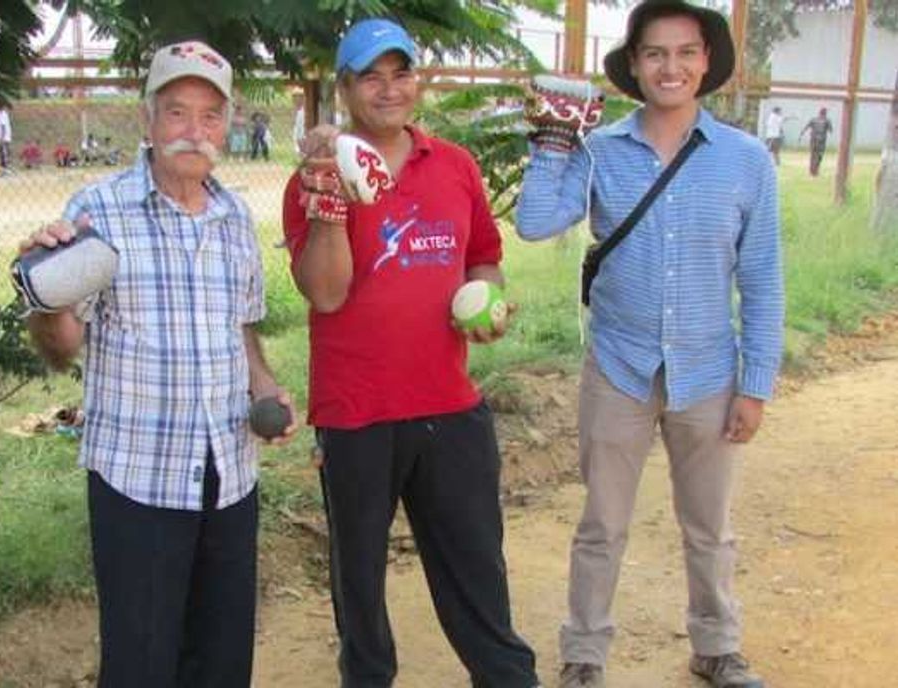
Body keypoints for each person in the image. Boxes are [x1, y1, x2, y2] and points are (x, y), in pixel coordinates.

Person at [516, 1, 783, 687]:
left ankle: (717, 647)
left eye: (686, 52)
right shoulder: (599, 150)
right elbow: (538, 221)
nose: (672, 66)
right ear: (634, 65)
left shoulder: (746, 161)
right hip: (620, 366)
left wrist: (755, 385)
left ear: (706, 64)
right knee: (602, 524)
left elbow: (761, 279)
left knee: (710, 527)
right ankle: (584, 655)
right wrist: (551, 140)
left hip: (709, 370)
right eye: (656, 53)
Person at [17, 40, 296, 687]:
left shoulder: (234, 217)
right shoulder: (98, 210)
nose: (193, 131)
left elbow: (241, 328)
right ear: (147, 121)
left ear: (226, 127)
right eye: (176, 112)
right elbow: (61, 346)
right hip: (138, 481)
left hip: (230, 475)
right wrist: (46, 296)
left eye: (209, 116)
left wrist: (268, 386)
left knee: (223, 663)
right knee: (141, 665)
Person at [281, 18, 539, 688]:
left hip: (449, 404)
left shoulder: (453, 165)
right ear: (345, 88)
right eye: (371, 75)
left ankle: (508, 678)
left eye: (402, 72)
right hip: (357, 410)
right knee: (358, 582)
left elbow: (484, 259)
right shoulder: (313, 175)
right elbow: (327, 294)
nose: (389, 89)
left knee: (476, 567)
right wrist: (330, 204)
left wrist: (488, 303)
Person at [799, 107, 833, 176]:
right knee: (819, 155)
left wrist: (801, 135)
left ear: (819, 113)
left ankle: (812, 171)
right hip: (821, 141)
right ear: (825, 113)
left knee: (812, 155)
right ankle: (816, 170)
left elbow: (806, 127)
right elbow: (830, 130)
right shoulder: (827, 120)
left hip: (813, 140)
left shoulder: (813, 119)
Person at [0, 104, 13, 173]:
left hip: (4, 138)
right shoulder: (2, 114)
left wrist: (2, 138)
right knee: (2, 153)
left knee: (3, 153)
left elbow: (3, 127)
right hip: (4, 137)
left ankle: (6, 168)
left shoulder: (2, 114)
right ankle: (4, 168)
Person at [291, 92, 305, 156]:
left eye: (299, 97)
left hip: (303, 128)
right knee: (297, 140)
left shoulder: (304, 110)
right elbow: (294, 121)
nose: (296, 100)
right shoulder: (296, 109)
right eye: (294, 98)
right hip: (298, 128)